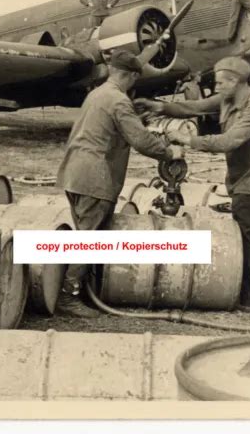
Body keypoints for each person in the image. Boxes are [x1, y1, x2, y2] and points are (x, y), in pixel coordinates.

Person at [135, 56, 250, 314]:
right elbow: (195, 106)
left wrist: (186, 139)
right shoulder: (228, 99)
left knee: (247, 238)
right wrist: (159, 107)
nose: (216, 87)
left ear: (236, 82)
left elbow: (228, 142)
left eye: (221, 82)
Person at [56, 49, 184, 317]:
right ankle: (68, 298)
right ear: (131, 76)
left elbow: (112, 128)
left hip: (76, 173)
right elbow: (140, 140)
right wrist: (171, 152)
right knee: (87, 241)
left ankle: (84, 292)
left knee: (87, 236)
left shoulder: (98, 94)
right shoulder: (118, 100)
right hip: (95, 177)